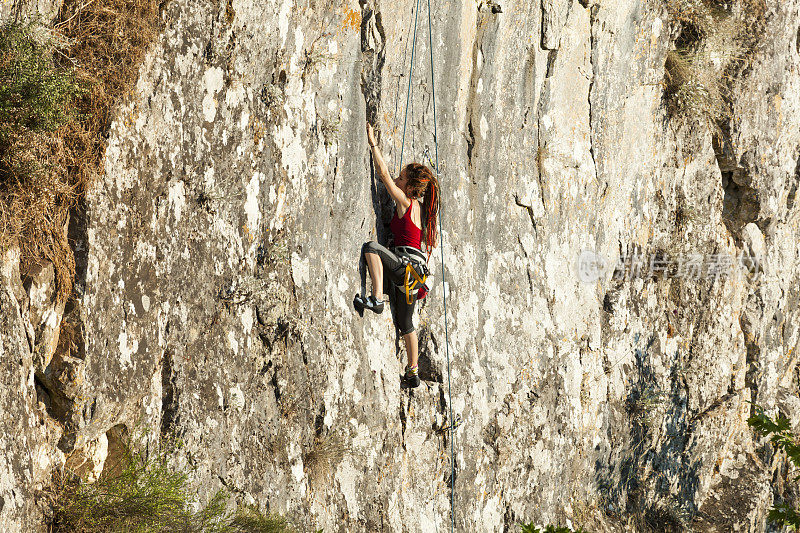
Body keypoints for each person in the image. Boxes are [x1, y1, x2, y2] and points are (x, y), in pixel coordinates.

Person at [355, 122, 439, 388]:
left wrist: (373, 143)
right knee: (406, 324)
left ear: (411, 189)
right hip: (416, 278)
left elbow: (383, 175)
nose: (398, 180)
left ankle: (377, 299)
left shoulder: (405, 202)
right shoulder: (424, 213)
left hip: (404, 267)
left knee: (371, 248)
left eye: (402, 178)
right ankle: (412, 371)